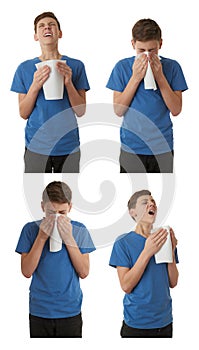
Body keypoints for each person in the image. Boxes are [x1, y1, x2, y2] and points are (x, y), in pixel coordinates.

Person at [11, 12, 90, 173]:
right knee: (35, 194)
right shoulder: (24, 68)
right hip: (36, 146)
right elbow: (23, 113)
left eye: (51, 24)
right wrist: (35, 85)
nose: (47, 27)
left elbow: (81, 111)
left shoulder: (76, 66)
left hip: (68, 146)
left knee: (69, 194)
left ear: (59, 33)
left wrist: (68, 82)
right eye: (41, 26)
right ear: (36, 36)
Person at [106, 19, 188, 173]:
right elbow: (118, 110)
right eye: (141, 50)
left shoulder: (173, 67)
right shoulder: (122, 67)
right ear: (133, 44)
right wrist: (136, 77)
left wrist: (160, 77)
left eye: (152, 50)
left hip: (162, 147)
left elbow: (176, 109)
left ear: (160, 44)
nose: (148, 55)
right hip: (131, 147)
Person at [15, 181, 96, 338]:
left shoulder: (80, 230)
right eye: (51, 212)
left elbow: (84, 272)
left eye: (62, 212)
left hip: (70, 310)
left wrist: (69, 238)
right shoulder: (30, 230)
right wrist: (41, 237)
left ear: (70, 208)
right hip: (40, 310)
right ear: (42, 207)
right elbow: (26, 271)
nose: (56, 217)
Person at [109, 190, 179, 338]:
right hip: (136, 325)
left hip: (165, 323)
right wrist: (147, 252)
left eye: (152, 201)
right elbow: (126, 286)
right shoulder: (123, 243)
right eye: (144, 202)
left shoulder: (163, 238)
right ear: (132, 212)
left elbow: (173, 282)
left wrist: (171, 251)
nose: (151, 204)